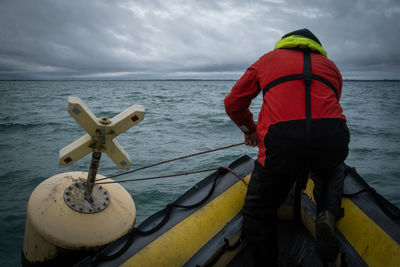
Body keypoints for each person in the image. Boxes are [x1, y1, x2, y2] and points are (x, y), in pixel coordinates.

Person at [224, 29, 350, 266]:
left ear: (283, 44)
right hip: (332, 134)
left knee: (259, 210)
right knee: (333, 168)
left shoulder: (267, 60)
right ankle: (327, 212)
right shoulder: (331, 67)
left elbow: (233, 103)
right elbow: (330, 104)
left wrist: (250, 130)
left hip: (282, 141)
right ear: (317, 47)